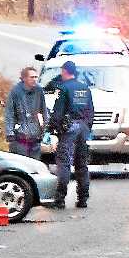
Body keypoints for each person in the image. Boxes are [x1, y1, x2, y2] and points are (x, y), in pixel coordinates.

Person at [44, 58, 94, 209]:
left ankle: (60, 199)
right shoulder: (85, 88)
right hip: (83, 129)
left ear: (64, 71)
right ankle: (83, 199)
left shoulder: (63, 88)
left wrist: (52, 129)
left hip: (69, 130)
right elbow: (91, 111)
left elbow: (58, 112)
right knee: (81, 165)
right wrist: (86, 127)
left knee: (64, 164)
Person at [5, 65, 47, 157]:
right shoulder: (15, 91)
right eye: (32, 77)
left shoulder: (39, 90)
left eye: (36, 77)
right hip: (20, 137)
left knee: (34, 165)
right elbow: (9, 113)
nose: (35, 79)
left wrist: (44, 131)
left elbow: (44, 112)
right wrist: (9, 133)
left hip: (35, 138)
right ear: (24, 78)